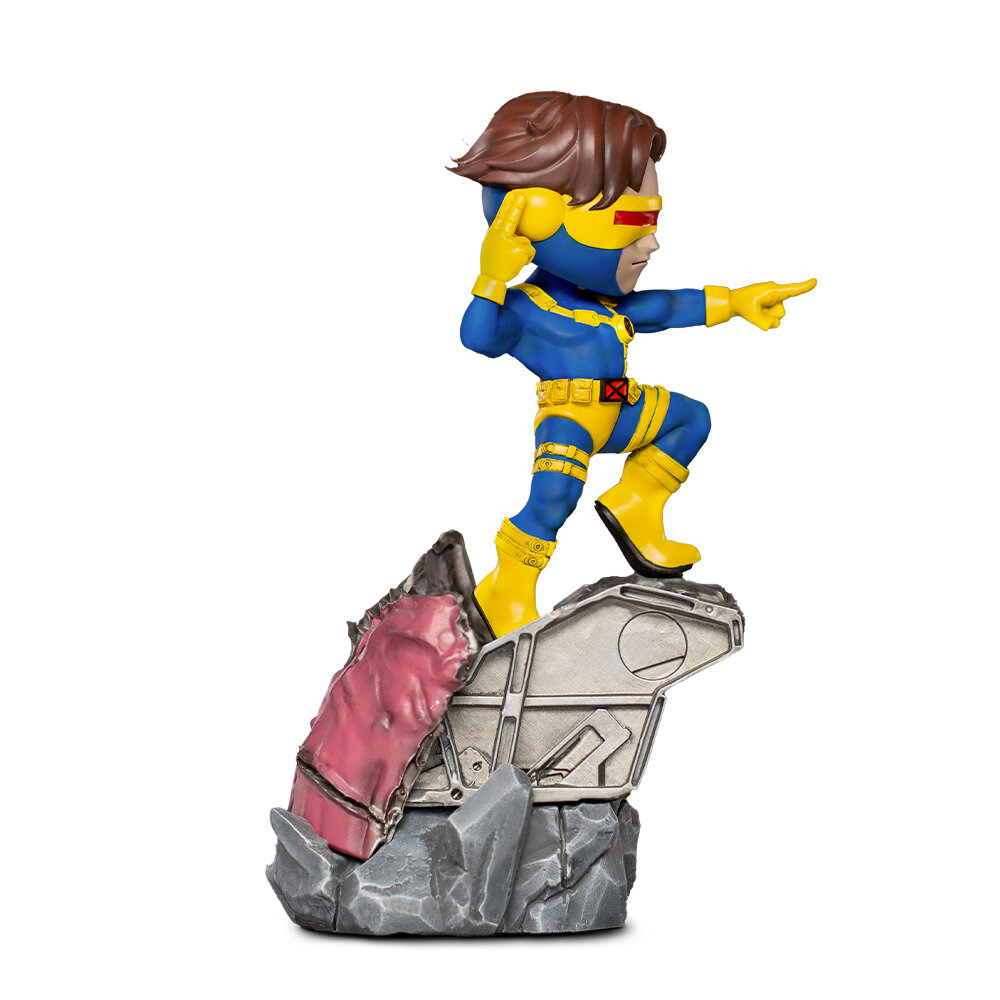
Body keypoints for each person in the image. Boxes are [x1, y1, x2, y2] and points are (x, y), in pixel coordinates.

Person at [452, 91, 815, 638]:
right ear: (536, 216)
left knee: (689, 418)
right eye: (632, 225)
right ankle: (508, 587)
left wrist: (737, 301)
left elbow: (667, 307)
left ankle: (635, 504)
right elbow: (478, 337)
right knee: (552, 502)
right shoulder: (526, 308)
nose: (651, 245)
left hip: (623, 410)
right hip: (570, 421)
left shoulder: (606, 305)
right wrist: (491, 278)